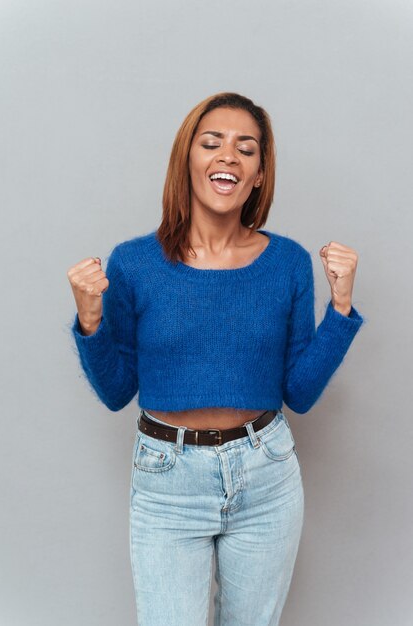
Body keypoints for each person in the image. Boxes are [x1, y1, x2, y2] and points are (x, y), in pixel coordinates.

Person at [67, 92, 364, 626]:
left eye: (246, 149)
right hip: (167, 479)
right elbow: (116, 393)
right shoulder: (134, 264)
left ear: (257, 175)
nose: (228, 155)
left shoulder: (289, 263)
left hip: (266, 474)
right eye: (212, 143)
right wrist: (90, 321)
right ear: (189, 161)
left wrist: (340, 309)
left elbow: (298, 391)